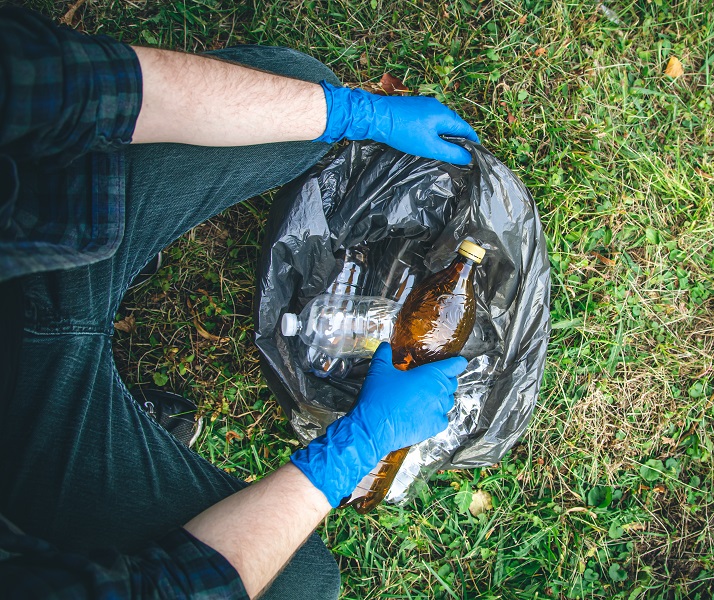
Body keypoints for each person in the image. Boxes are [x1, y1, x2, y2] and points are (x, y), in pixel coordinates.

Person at [0, 6, 478, 598]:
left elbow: (103, 89)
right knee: (300, 585)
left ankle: (103, 304)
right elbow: (176, 591)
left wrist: (355, 112)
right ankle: (102, 426)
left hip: (40, 253)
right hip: (21, 437)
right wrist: (356, 448)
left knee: (292, 90)